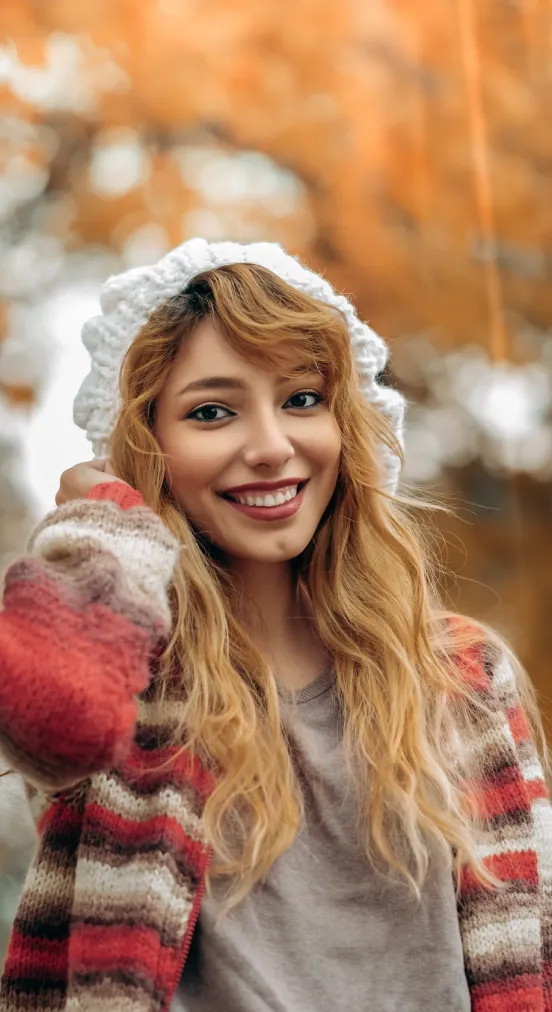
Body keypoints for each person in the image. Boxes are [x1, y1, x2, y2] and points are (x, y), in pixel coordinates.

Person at [0, 238, 550, 1012]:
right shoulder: (124, 678)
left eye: (302, 399)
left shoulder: (462, 677)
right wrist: (104, 523)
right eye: (212, 412)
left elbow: (530, 955)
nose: (270, 448)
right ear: (146, 444)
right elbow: (47, 720)